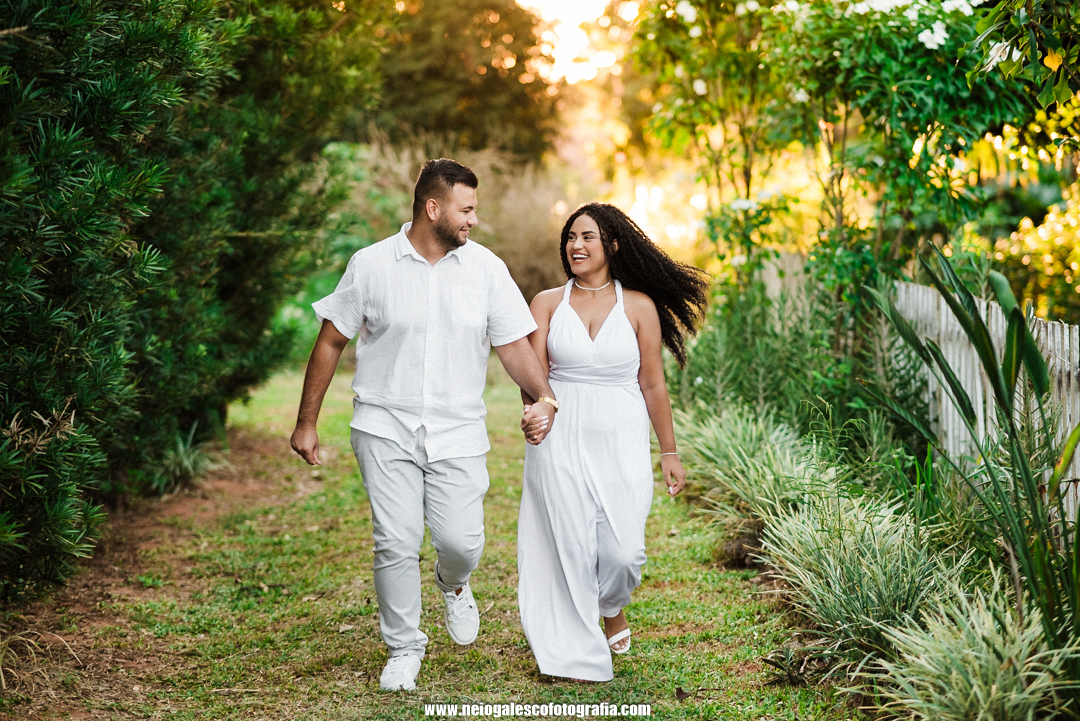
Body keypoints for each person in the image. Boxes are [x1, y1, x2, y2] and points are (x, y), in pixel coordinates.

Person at [290, 159, 558, 693]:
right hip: (383, 424)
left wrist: (544, 398)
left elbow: (513, 346)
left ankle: (453, 584)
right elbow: (331, 340)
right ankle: (404, 649)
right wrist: (306, 422)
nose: (473, 220)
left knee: (462, 543)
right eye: (466, 209)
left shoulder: (486, 269)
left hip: (458, 430)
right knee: (395, 540)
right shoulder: (371, 265)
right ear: (432, 208)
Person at [517, 202, 709, 682]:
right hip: (560, 435)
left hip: (621, 436)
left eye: (588, 237)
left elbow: (653, 384)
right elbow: (533, 374)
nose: (576, 245)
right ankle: (574, 644)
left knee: (624, 553)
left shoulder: (638, 306)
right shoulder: (546, 303)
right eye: (571, 237)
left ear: (613, 245)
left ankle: (611, 605)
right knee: (572, 545)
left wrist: (669, 451)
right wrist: (537, 409)